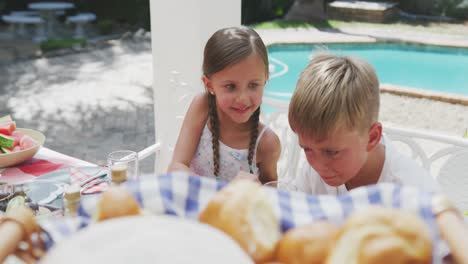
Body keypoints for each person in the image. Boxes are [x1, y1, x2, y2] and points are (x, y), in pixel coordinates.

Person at [289, 53, 436, 195]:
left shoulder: (414, 194)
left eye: (332, 152)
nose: (318, 165)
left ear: (372, 137)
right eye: (306, 149)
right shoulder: (314, 170)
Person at [168, 26, 281, 184]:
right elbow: (176, 167)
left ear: (265, 79)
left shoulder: (267, 143)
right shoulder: (202, 107)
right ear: (209, 85)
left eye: (253, 85)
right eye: (230, 86)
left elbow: (271, 193)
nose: (242, 98)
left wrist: (258, 189)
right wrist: (222, 192)